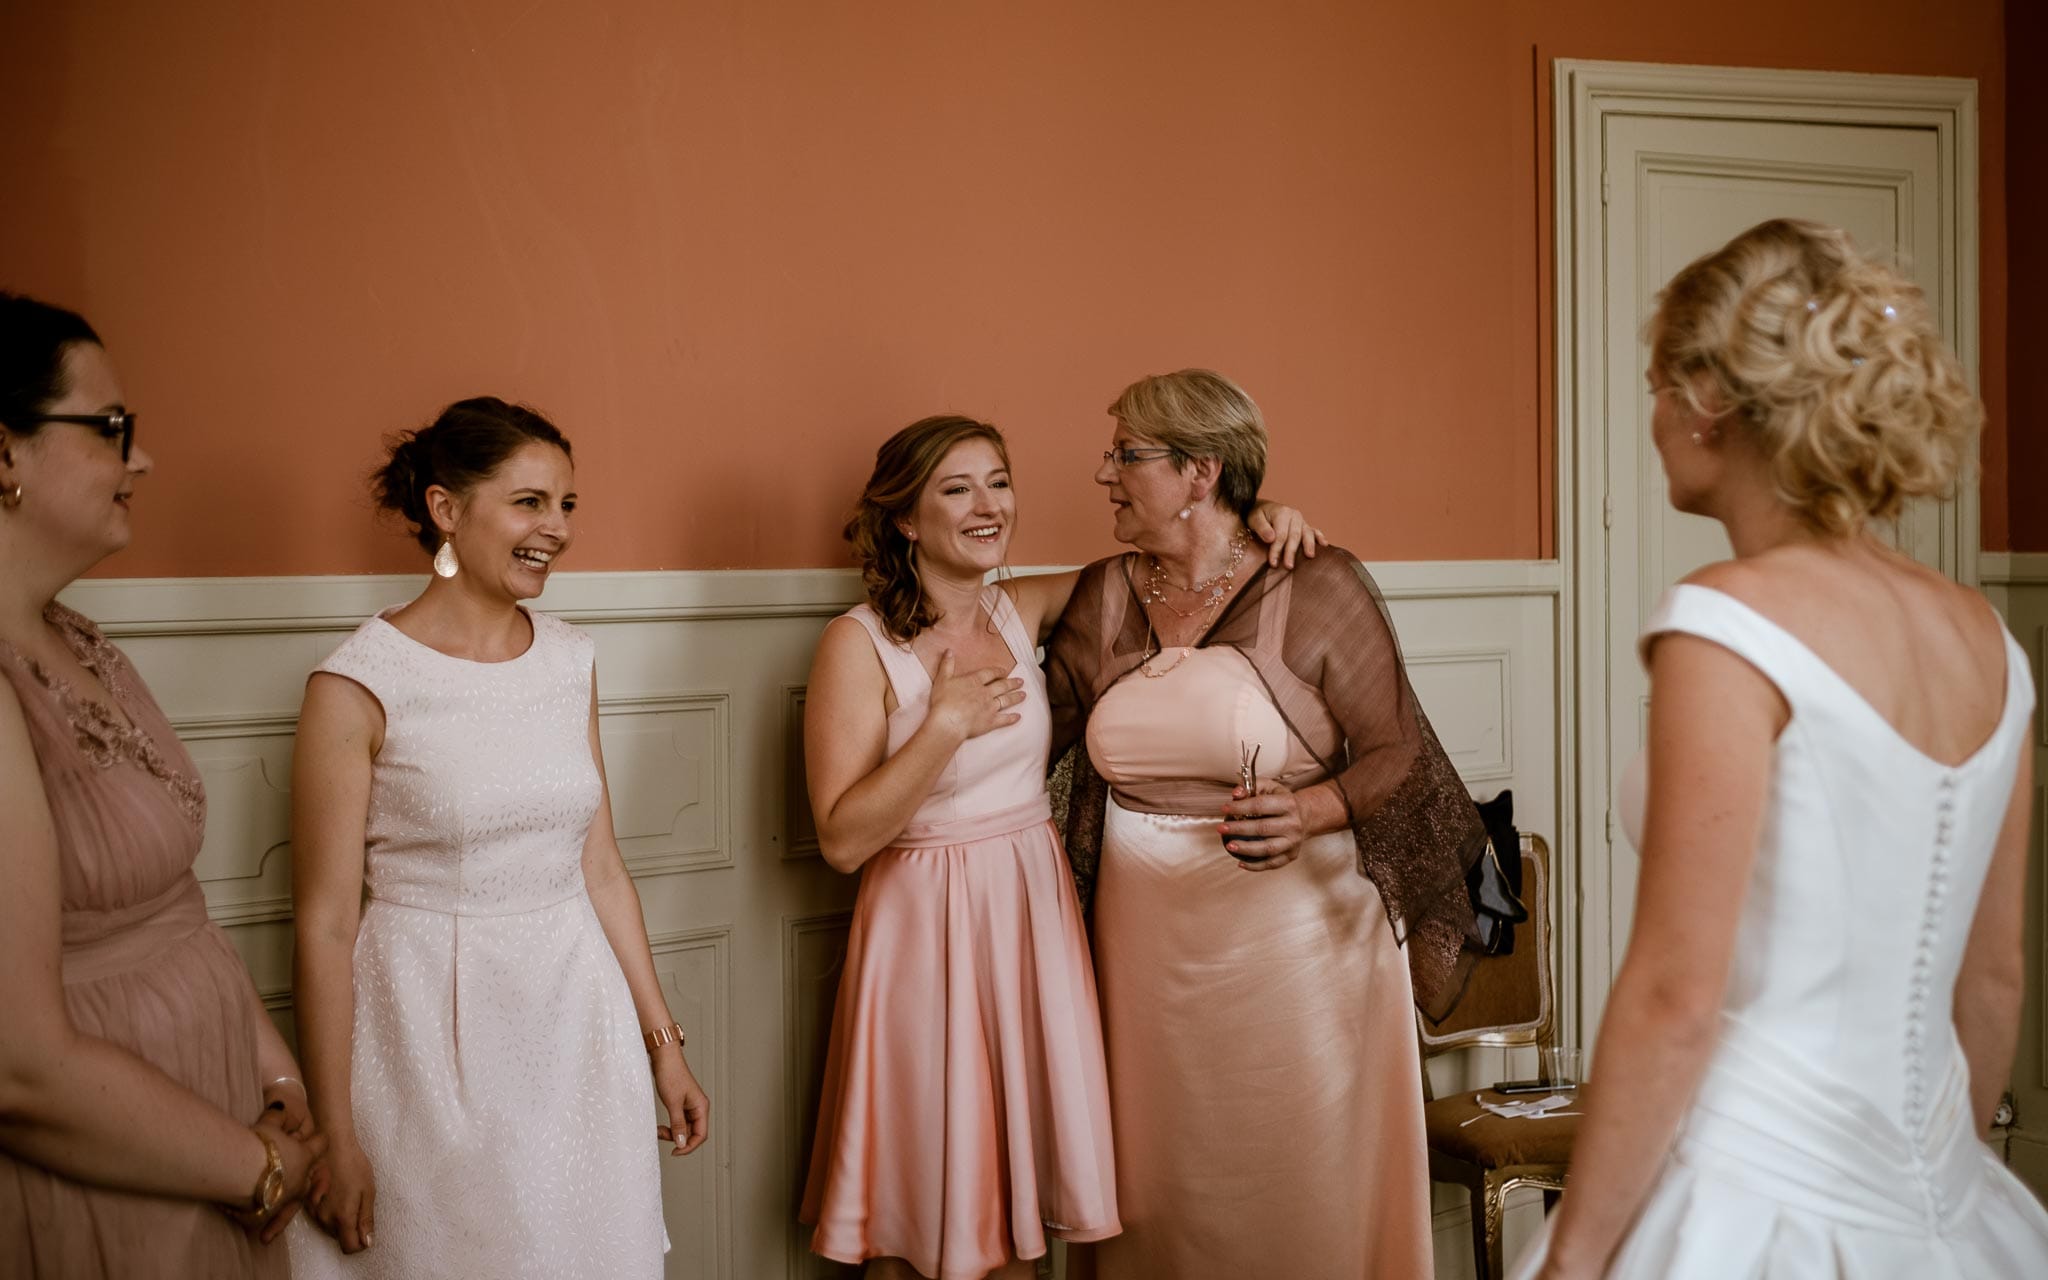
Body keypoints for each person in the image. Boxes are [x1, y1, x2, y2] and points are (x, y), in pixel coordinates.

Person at [1515, 219, 2048, 1278]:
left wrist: (1572, 1257)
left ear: (1708, 399)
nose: (1653, 412)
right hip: (1937, 1196)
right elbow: (1991, 981)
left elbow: (1674, 994)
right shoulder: (1982, 634)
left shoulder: (1726, 618)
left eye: (1658, 380)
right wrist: (1919, 1184)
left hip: (1748, 1189)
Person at [799, 414, 1320, 1280]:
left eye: (998, 481)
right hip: (923, 931)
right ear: (903, 519)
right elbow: (842, 840)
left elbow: (1173, 560)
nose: (986, 505)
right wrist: (944, 726)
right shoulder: (856, 645)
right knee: (918, 1200)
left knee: (1016, 1206)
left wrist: (1261, 515)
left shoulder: (1024, 605)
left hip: (1031, 913)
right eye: (956, 488)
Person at [1043, 369, 1488, 1279]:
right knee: (1159, 1181)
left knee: (1301, 1177)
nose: (1104, 474)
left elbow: (1395, 750)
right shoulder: (1096, 597)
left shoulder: (1315, 583)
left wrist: (1312, 808)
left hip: (1298, 943)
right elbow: (1032, 745)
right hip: (1143, 947)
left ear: (1200, 471)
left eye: (1126, 454)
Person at [287, 397, 709, 1279]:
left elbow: (601, 868)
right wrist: (335, 1131)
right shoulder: (356, 683)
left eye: (567, 506)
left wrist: (663, 1047)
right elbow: (325, 923)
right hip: (426, 1033)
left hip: (575, 1022)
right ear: (446, 509)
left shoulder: (569, 659)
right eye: (530, 502)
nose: (555, 528)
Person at [0, 291, 325, 1277]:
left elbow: (173, 907)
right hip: (109, 1180)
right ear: (4, 452)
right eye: (111, 428)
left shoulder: (84, 644)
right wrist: (255, 1164)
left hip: (211, 1129)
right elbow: (19, 1067)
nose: (141, 460)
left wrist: (270, 1066)